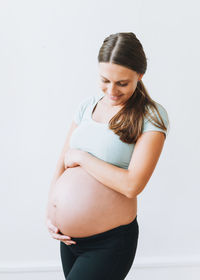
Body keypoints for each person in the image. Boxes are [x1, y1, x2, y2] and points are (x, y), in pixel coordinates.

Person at [46, 32, 170, 279]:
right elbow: (62, 161)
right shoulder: (87, 106)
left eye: (122, 83)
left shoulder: (151, 116)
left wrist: (83, 157)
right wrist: (51, 211)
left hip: (109, 243)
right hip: (69, 241)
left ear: (140, 75)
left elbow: (132, 185)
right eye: (105, 80)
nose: (111, 90)